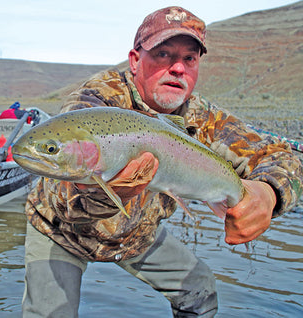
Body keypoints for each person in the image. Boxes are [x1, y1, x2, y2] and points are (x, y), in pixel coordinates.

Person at [21, 6, 302, 317]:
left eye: (189, 59)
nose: (178, 68)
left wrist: (268, 193)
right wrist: (103, 193)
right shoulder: (95, 104)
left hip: (136, 234)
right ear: (135, 60)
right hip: (60, 232)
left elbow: (283, 157)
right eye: (164, 54)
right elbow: (65, 202)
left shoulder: (204, 118)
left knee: (201, 291)